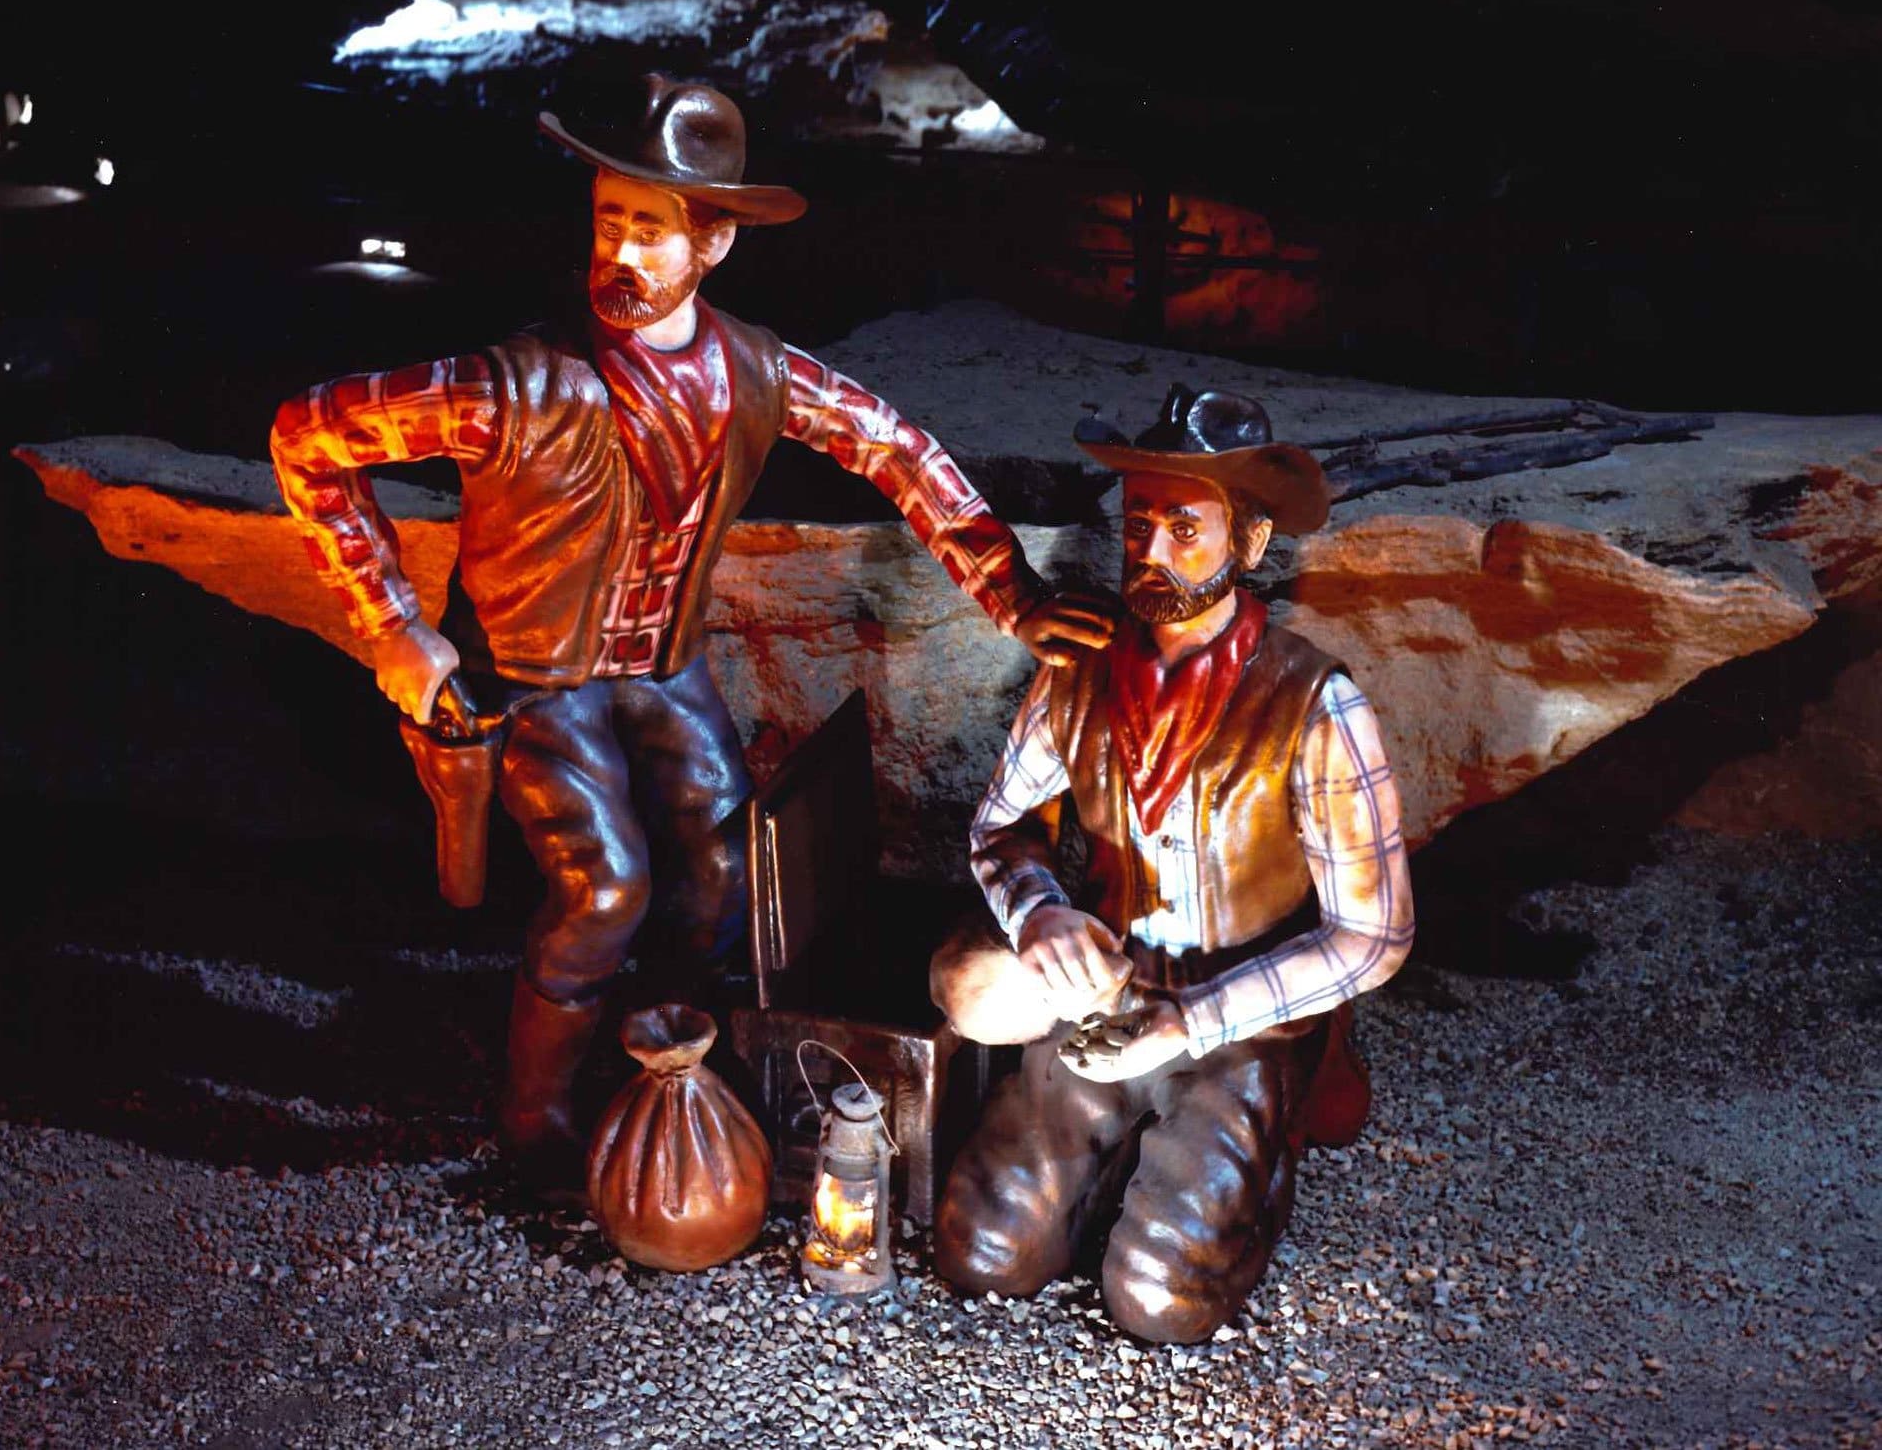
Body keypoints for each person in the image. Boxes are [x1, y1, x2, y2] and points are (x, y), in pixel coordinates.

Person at [269, 75, 1110, 1183]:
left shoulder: (755, 372)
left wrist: (1018, 599)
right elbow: (309, 436)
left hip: (665, 670)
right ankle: (531, 1122)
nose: (618, 252)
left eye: (649, 231)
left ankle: (657, 1073)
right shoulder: (509, 387)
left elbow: (895, 448)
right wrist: (394, 629)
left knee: (723, 872)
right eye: (608, 220)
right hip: (533, 678)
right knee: (604, 884)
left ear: (712, 243)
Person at [930, 383, 1414, 1343]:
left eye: (1183, 528)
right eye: (1138, 522)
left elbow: (1375, 933)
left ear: (1251, 544)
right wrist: (1040, 916)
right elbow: (1000, 828)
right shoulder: (1077, 673)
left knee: (1159, 1302)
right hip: (1105, 1005)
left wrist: (1197, 1019)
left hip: (1240, 1025)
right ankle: (1110, 1166)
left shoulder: (1317, 706)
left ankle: (1250, 1161)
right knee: (980, 1255)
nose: (1149, 551)